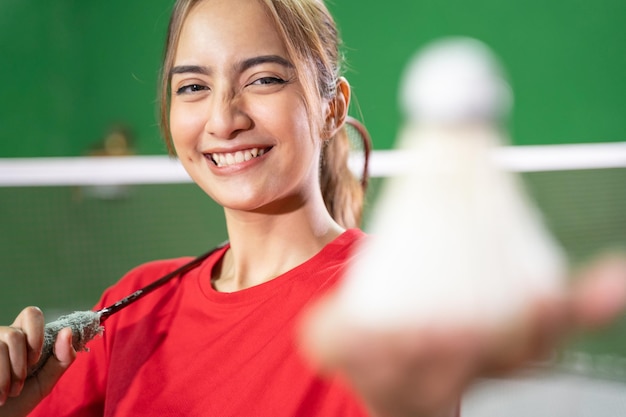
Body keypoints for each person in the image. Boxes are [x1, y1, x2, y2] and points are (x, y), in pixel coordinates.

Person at [0, 1, 625, 416]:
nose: (224, 118)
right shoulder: (130, 308)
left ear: (330, 105)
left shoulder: (391, 300)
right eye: (193, 87)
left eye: (264, 79)